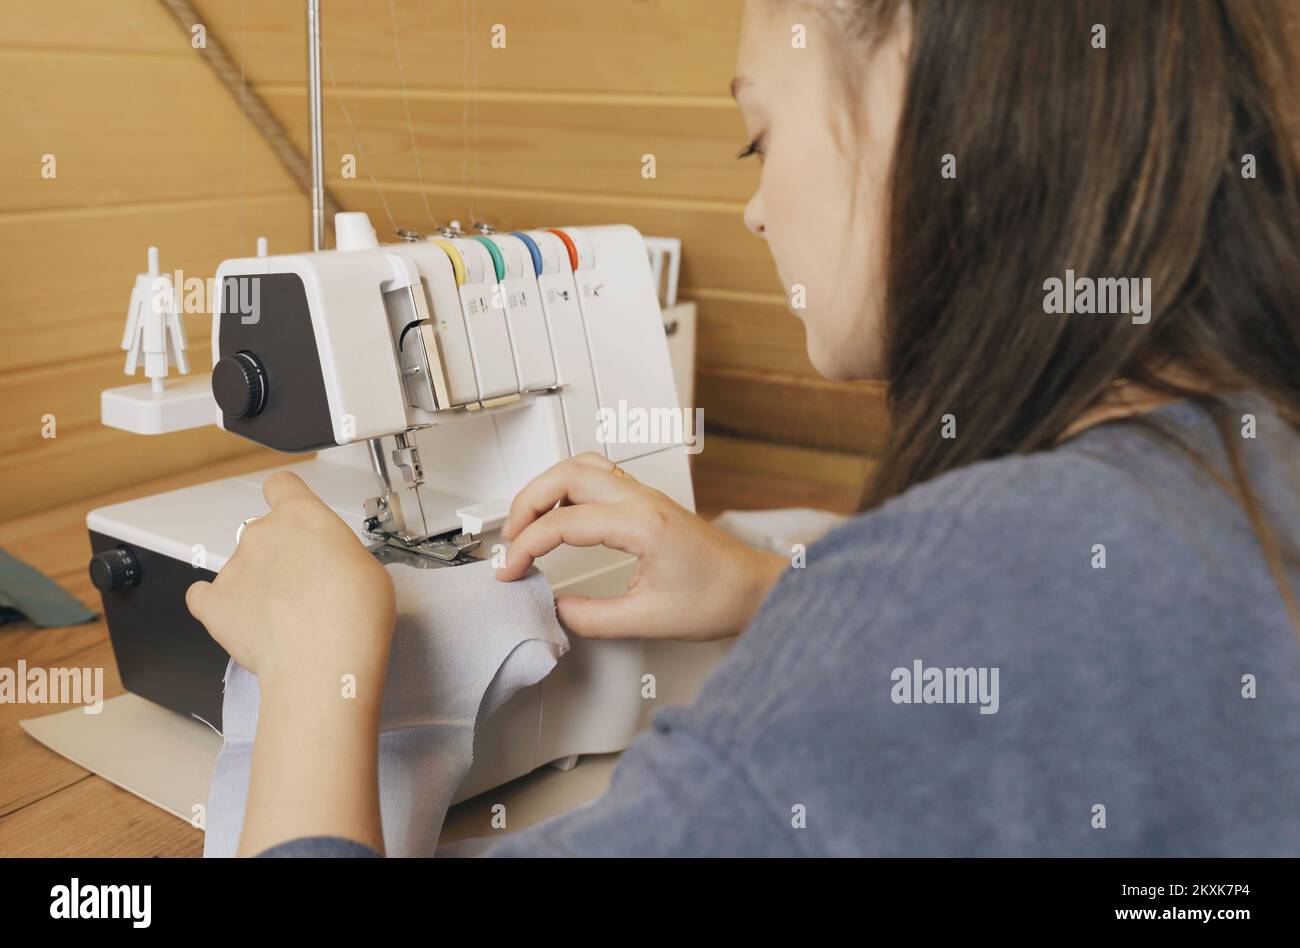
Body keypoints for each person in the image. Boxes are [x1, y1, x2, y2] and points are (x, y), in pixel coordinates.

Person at [184, 0, 1300, 856]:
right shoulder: (1245, 454)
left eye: (755, 139)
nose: (756, 207)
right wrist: (788, 593)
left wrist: (316, 673)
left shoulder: (974, 581)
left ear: (930, 84)